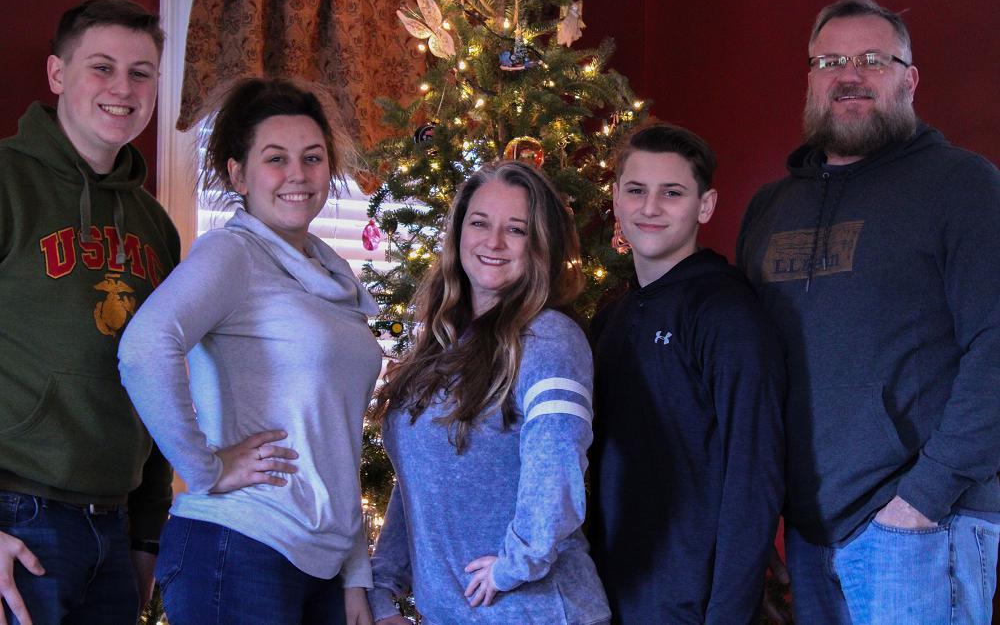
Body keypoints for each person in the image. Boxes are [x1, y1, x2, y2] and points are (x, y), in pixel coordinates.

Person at [737, 0, 1000, 624]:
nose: (848, 74)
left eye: (872, 59)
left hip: (924, 526)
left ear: (910, 79)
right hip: (806, 533)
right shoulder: (770, 209)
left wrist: (921, 502)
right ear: (810, 78)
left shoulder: (964, 185)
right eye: (830, 60)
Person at [118, 78, 379, 624]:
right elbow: (145, 347)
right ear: (238, 173)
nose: (298, 175)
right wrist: (205, 467)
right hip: (237, 546)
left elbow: (335, 434)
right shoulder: (233, 253)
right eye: (275, 158)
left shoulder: (332, 274)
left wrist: (356, 574)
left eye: (312, 157)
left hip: (322, 563)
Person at [366, 161, 611, 624]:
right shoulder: (442, 344)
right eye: (479, 223)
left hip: (536, 612)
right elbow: (418, 478)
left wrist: (515, 564)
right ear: (459, 234)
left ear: (542, 245)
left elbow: (558, 460)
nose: (493, 242)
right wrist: (383, 584)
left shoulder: (549, 339)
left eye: (516, 230)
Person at [0, 0, 178, 624]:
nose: (122, 89)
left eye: (141, 72)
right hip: (18, 519)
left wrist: (147, 534)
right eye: (102, 67)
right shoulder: (6, 184)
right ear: (57, 74)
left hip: (116, 523)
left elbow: (160, 379)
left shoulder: (155, 225)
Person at [588, 123, 786, 624]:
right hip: (603, 593)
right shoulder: (611, 318)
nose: (650, 208)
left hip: (688, 603)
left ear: (705, 205)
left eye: (671, 193)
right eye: (636, 190)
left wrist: (727, 615)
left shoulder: (725, 313)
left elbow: (754, 474)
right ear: (616, 199)